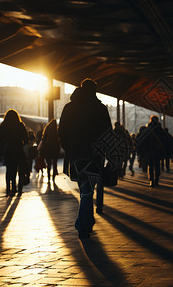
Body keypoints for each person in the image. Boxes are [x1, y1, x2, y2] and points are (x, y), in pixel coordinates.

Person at [58, 78, 112, 239]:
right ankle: (84, 224)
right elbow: (107, 133)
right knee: (88, 189)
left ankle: (86, 222)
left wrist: (69, 148)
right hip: (94, 156)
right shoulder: (100, 108)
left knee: (84, 188)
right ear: (94, 90)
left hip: (75, 155)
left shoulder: (69, 108)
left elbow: (61, 132)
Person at [0, 109, 29, 197]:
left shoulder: (3, 125)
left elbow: (0, 140)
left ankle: (9, 189)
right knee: (20, 171)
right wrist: (21, 143)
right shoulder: (20, 125)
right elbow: (26, 139)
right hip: (18, 150)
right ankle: (19, 189)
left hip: (8, 151)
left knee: (10, 170)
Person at [137, 115, 167, 187]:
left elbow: (142, 140)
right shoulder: (160, 130)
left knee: (150, 165)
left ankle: (151, 180)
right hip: (158, 150)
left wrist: (142, 152)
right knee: (157, 165)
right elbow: (165, 141)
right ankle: (156, 180)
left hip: (149, 151)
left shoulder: (147, 130)